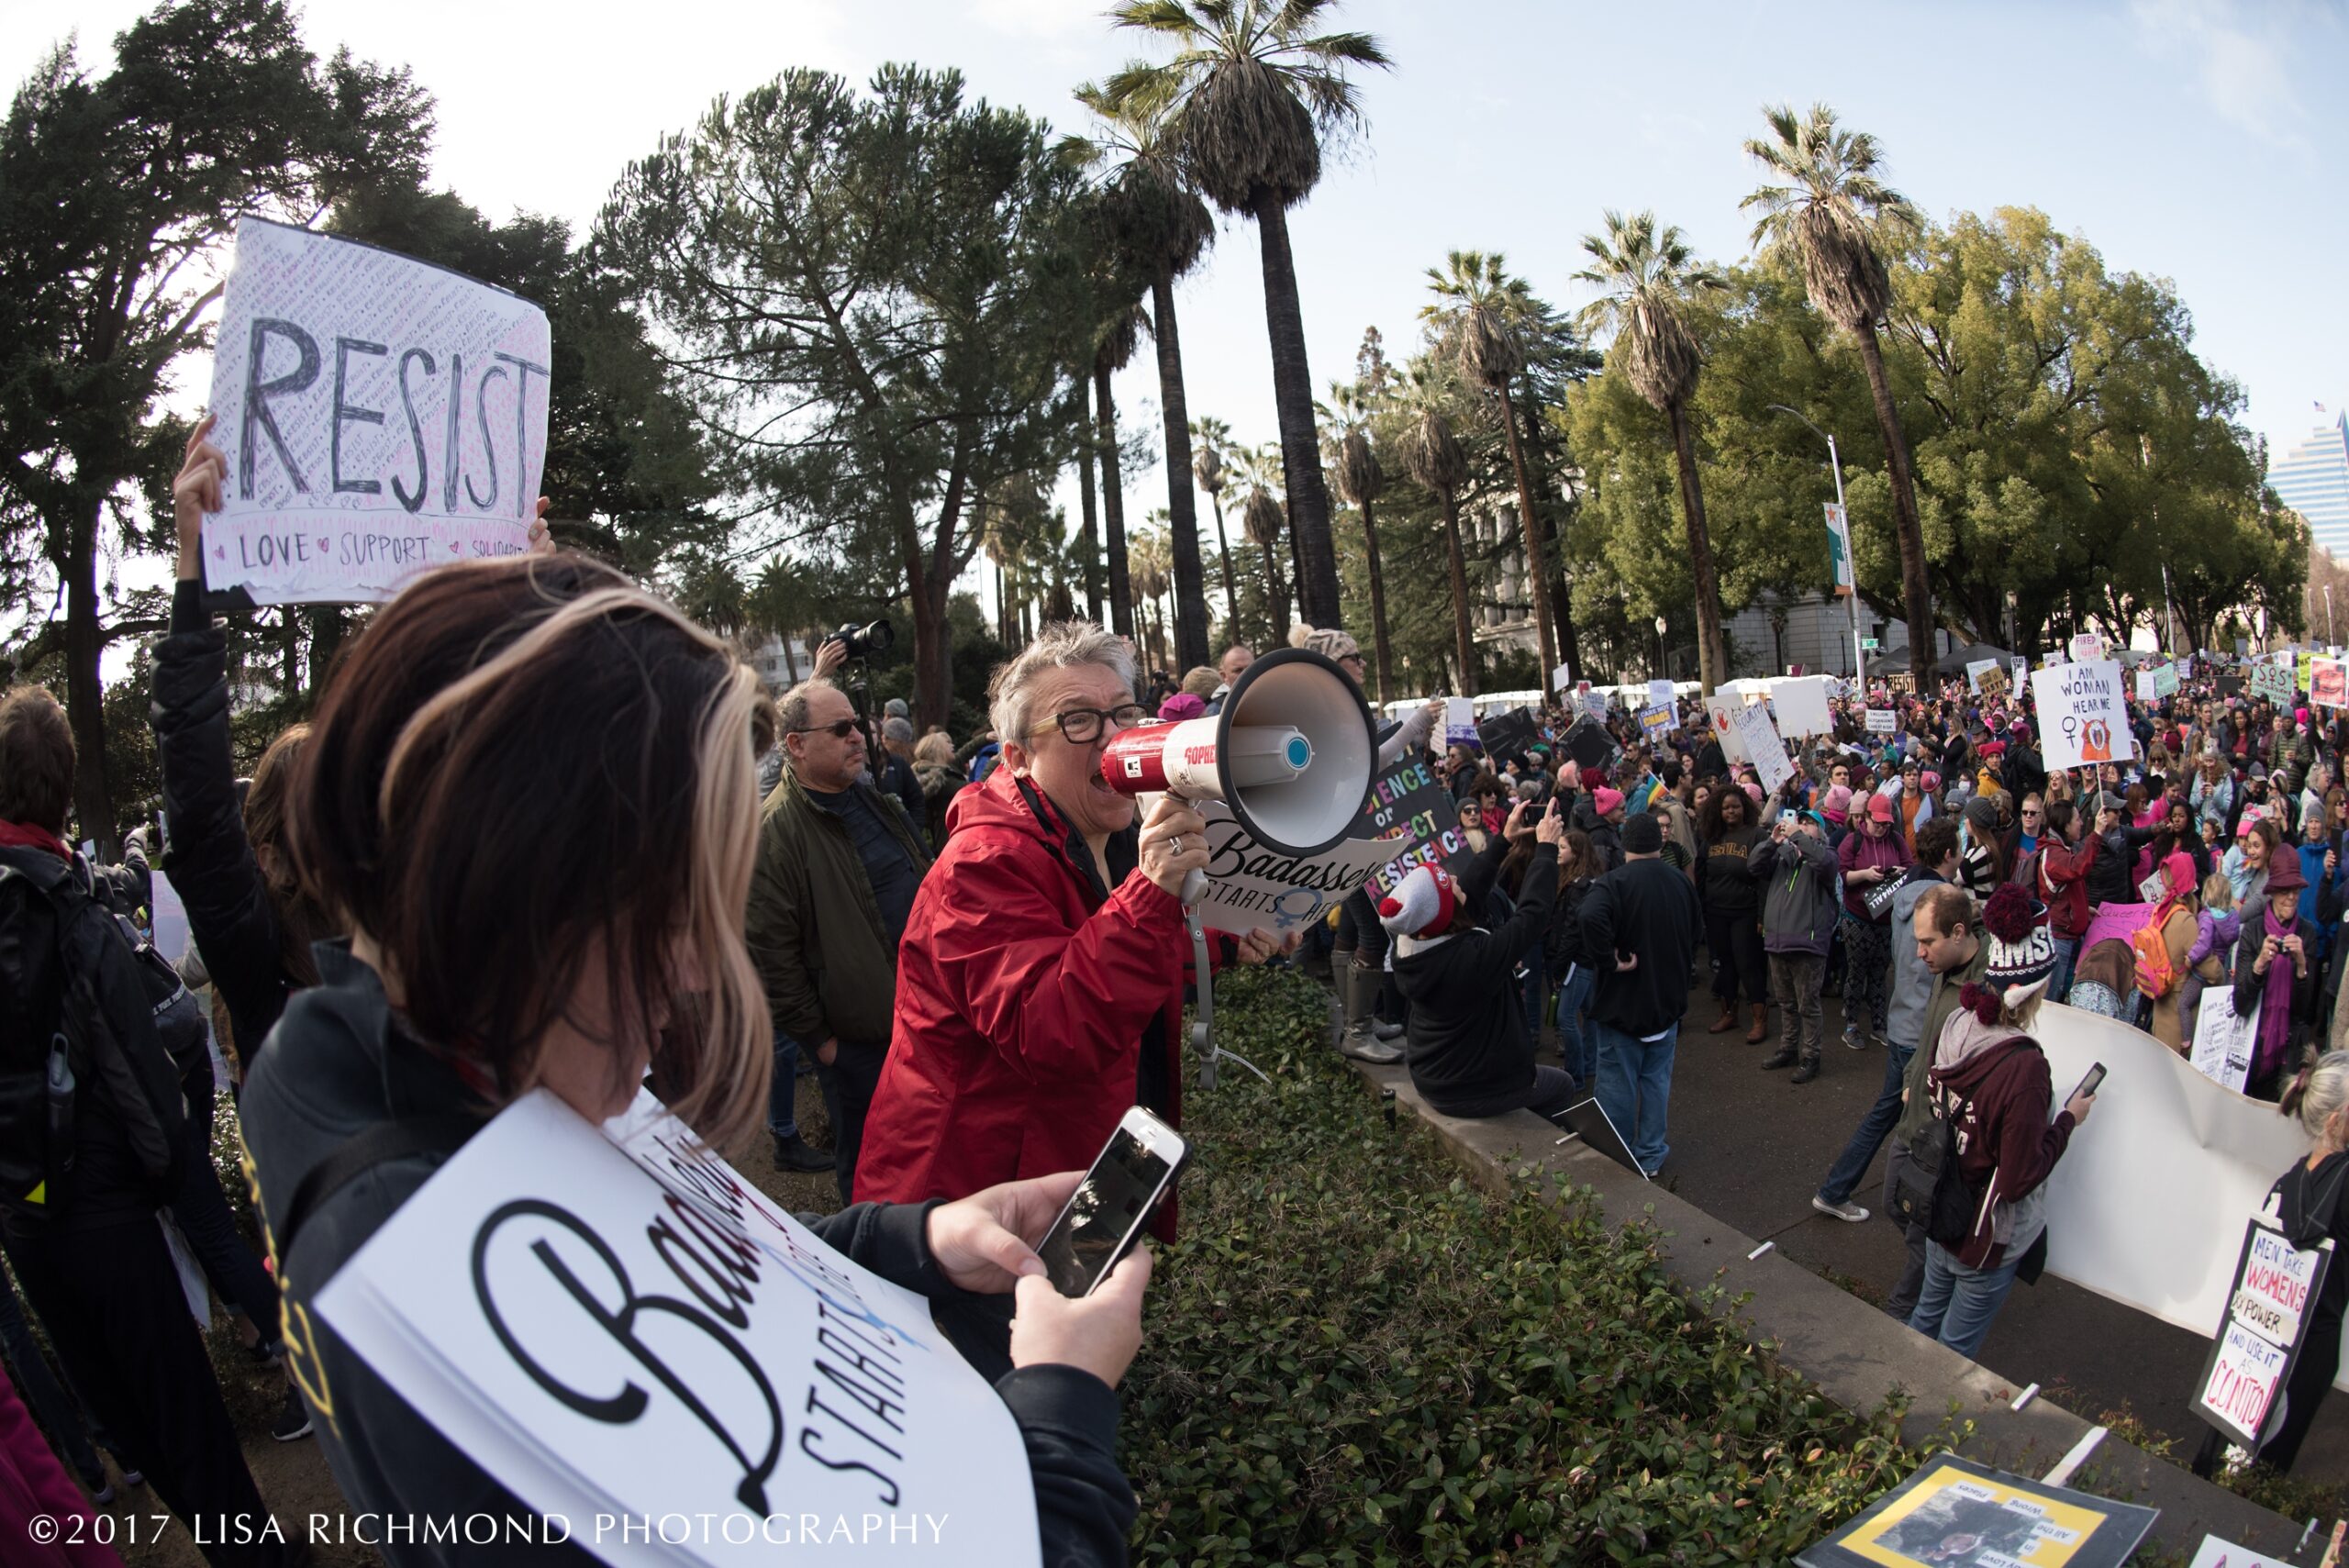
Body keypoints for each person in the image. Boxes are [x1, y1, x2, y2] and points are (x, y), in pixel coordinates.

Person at [239, 557, 1147, 1567]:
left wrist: (916, 1238)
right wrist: (1063, 1407)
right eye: (669, 905)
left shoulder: (484, 1074)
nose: (687, 970)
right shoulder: (435, 1241)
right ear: (513, 874)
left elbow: (712, 1270)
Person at [857, 623, 1290, 1213]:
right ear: (1018, 758)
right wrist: (1151, 890)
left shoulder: (1102, 837)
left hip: (1069, 1164)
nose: (1112, 739)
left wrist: (1219, 945)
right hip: (973, 1204)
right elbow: (1051, 1030)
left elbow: (1093, 942)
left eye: (1123, 714)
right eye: (1078, 721)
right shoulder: (979, 868)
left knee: (1095, 1302)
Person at [0, 688, 283, 1565]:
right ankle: (258, 1554)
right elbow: (145, 1098)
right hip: (109, 1210)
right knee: (181, 1403)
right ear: (61, 786)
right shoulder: (74, 916)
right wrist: (174, 1189)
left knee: (125, 1411)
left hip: (25, 1221)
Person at [745, 676, 934, 1198]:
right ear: (797, 745)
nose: (858, 736)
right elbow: (768, 955)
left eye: (856, 723)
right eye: (841, 728)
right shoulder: (774, 833)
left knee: (930, 1154)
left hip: (923, 1018)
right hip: (860, 1047)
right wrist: (824, 1045)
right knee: (873, 1165)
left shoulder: (868, 796)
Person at [1907, 884, 2097, 1360]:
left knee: (1921, 1325)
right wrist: (2068, 1121)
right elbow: (2017, 1179)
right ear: (2038, 984)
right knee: (1952, 1354)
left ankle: (1887, 1414)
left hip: (1942, 1209)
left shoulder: (1957, 1023)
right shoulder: (2026, 1070)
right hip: (1983, 1238)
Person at [1386, 801, 1580, 1118]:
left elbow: (1469, 893)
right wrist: (1546, 850)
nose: (1458, 880)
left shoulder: (1414, 942)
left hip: (1435, 1075)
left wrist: (1504, 839)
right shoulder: (1471, 960)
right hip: (1473, 1088)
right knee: (1562, 1086)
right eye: (1451, 885)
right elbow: (1531, 916)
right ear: (1447, 912)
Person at [1813, 826, 1965, 1226]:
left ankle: (1837, 1189)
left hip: (1902, 1019)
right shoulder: (1944, 903)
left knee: (1888, 1113)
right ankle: (1906, 1207)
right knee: (1917, 1125)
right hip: (1925, 1028)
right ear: (1950, 853)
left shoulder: (1903, 893)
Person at [1578, 813, 1703, 1175]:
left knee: (1618, 1086)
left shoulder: (1612, 883)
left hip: (1624, 1005)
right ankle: (1650, 1156)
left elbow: (1588, 917)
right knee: (1656, 1083)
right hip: (1667, 1002)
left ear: (1625, 844)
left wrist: (1608, 961)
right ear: (1659, 844)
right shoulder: (1681, 883)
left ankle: (1616, 1159)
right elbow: (1696, 934)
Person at [2245, 1052, 2349, 1472]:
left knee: (2241, 1451)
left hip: (2259, 1341)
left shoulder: (2288, 1181)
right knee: (2270, 1468)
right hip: (2312, 1351)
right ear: (2336, 1120)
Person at [1753, 804, 1842, 1084]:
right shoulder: (1782, 855)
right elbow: (1754, 865)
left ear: (1820, 831)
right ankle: (1788, 1048)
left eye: (1809, 823)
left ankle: (1811, 1056)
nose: (1802, 825)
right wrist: (1773, 841)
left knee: (1808, 1005)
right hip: (1778, 942)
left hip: (1808, 943)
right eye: (1798, 821)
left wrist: (1798, 836)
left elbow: (1826, 865)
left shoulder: (1826, 855)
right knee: (1786, 1003)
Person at [2234, 856, 2323, 1102]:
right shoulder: (2253, 931)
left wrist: (2302, 967)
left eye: (2296, 890)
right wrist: (2259, 964)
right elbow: (2240, 1004)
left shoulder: (2307, 933)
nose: (2292, 897)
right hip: (2252, 1049)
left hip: (2287, 1053)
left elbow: (2305, 1012)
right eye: (2285, 891)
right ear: (2272, 892)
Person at [1837, 793, 1913, 1050]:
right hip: (1857, 917)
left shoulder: (1896, 840)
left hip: (1886, 919)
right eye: (1877, 822)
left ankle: (1880, 1026)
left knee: (1880, 974)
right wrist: (1865, 875)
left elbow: (1910, 866)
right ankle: (1851, 1026)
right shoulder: (1852, 841)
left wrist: (1900, 873)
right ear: (1866, 817)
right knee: (1856, 973)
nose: (1881, 828)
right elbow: (1842, 876)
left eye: (1885, 823)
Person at [1697, 784, 1769, 1043]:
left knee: (1748, 965)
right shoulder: (1710, 838)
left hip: (1746, 913)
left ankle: (1760, 1019)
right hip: (1717, 913)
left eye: (1735, 806)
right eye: (1726, 807)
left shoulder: (1757, 836)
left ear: (1744, 808)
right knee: (1724, 966)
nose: (1731, 811)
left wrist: (1762, 915)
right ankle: (1729, 1014)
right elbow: (1702, 877)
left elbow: (1764, 880)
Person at [2032, 800, 2097, 1003]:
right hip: (2059, 939)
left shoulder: (2060, 850)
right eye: (2077, 819)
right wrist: (2098, 835)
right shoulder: (2054, 854)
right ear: (2065, 825)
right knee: (2051, 1001)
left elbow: (2065, 891)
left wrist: (2083, 909)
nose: (2081, 823)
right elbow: (2077, 868)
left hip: (2069, 936)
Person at [2142, 851, 2202, 1051]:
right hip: (2178, 1014)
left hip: (2160, 1010)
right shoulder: (2185, 920)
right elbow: (2207, 967)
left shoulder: (2160, 912)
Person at [2181, 872, 2241, 1044]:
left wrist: (2191, 958)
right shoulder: (2232, 917)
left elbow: (2204, 944)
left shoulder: (2207, 917)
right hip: (2223, 969)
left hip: (2203, 973)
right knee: (2214, 1011)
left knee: (2184, 1004)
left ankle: (2187, 1040)